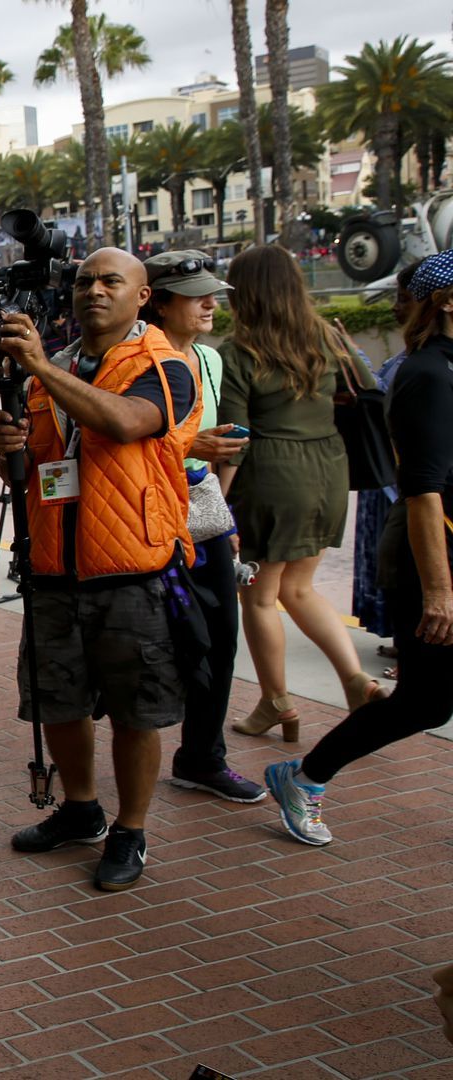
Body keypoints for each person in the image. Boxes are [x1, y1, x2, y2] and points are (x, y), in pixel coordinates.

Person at [0, 248, 201, 891]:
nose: (95, 291)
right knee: (58, 701)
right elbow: (28, 470)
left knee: (136, 711)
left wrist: (38, 370)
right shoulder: (51, 368)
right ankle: (81, 810)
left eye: (111, 281)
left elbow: (126, 422)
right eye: (84, 281)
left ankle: (130, 830)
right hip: (55, 565)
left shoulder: (164, 364)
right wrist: (9, 450)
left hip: (131, 566)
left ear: (142, 296)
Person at [262, 252, 453, 845]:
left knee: (428, 701)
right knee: (425, 704)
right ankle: (305, 777)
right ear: (446, 302)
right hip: (432, 558)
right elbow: (423, 491)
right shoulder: (428, 374)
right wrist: (439, 592)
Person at [218, 244, 385, 741]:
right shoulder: (327, 336)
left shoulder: (239, 351)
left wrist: (217, 505)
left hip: (272, 474)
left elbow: (234, 441)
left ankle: (276, 703)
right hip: (328, 470)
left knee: (259, 596)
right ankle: (355, 680)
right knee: (299, 588)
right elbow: (367, 390)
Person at [139, 251, 265, 804]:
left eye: (213, 294)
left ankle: (202, 757)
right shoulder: (137, 359)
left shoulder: (210, 359)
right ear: (160, 304)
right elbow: (123, 438)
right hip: (146, 512)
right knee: (154, 641)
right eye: (196, 295)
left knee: (220, 636)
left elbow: (214, 447)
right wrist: (192, 445)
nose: (211, 304)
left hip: (201, 505)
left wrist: (223, 511)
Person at [351, 262, 421, 653]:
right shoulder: (412, 357)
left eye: (404, 299)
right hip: (394, 481)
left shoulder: (424, 362)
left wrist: (357, 362)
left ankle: (418, 648)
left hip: (412, 486)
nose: (396, 307)